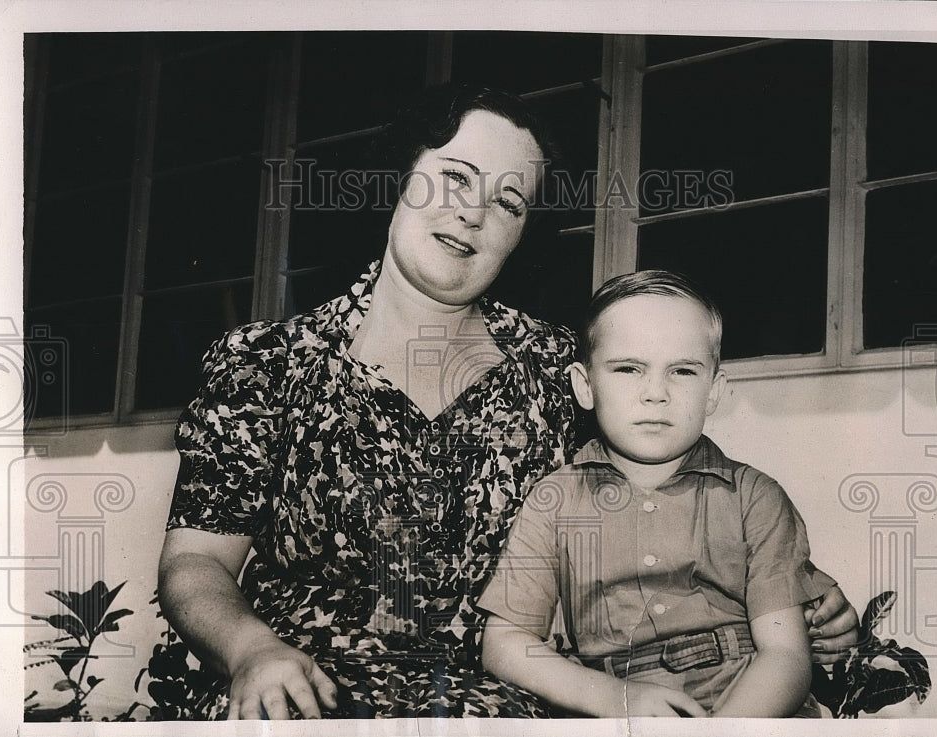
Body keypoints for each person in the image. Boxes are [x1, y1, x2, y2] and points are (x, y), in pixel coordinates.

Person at [157, 84, 858, 720]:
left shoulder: (559, 368)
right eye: (454, 177)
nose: (472, 211)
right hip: (305, 688)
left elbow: (671, 477)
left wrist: (801, 588)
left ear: (522, 232)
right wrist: (251, 650)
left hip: (502, 698)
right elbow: (196, 564)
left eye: (508, 201)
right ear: (400, 176)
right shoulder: (265, 363)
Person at [479, 270, 831, 717]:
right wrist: (614, 699)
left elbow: (786, 657)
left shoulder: (755, 497)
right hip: (621, 712)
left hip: (750, 708)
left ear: (713, 392)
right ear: (585, 387)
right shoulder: (555, 500)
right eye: (628, 369)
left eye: (682, 371)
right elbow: (505, 644)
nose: (656, 394)